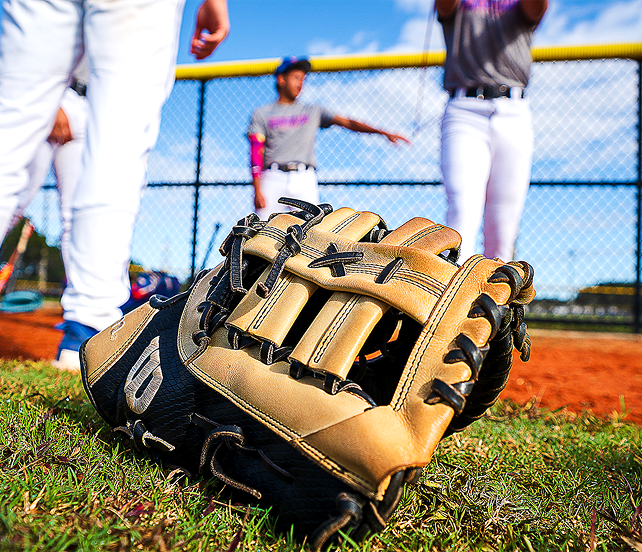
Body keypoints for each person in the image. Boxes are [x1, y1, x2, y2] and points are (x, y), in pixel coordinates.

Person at [0, 0, 230, 370]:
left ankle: (85, 329)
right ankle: (87, 331)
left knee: (8, 136)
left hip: (75, 94)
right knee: (116, 152)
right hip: (70, 91)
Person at [436, 0, 547, 263]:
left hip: (514, 109)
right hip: (465, 108)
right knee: (462, 210)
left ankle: (497, 301)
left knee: (504, 225)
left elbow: (537, 8)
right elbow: (443, 6)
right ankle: (454, 298)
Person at [247, 56, 411, 220]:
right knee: (263, 230)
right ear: (281, 79)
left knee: (309, 230)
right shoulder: (262, 113)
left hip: (304, 176)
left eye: (303, 79)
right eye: (296, 77)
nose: (300, 83)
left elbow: (347, 122)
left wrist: (383, 132)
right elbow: (256, 150)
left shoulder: (313, 110)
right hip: (273, 176)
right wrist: (257, 189)